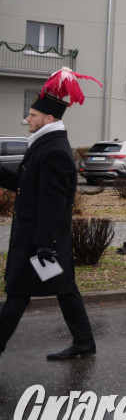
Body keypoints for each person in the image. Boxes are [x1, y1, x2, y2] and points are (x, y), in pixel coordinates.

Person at [0, 67, 101, 360]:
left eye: (31, 115)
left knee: (18, 293)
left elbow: (54, 202)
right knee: (65, 290)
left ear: (49, 118)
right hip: (39, 236)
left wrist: (44, 244)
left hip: (40, 239)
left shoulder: (53, 150)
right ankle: (84, 343)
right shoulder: (44, 145)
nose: (27, 119)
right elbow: (25, 184)